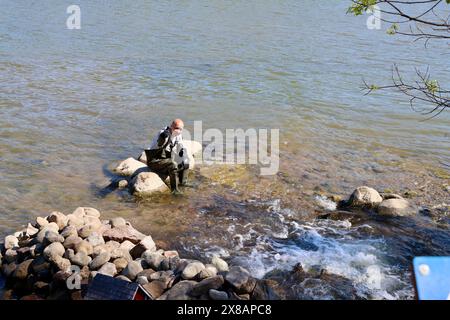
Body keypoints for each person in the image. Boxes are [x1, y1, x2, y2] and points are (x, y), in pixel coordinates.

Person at [145, 119, 190, 195]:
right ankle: (174, 190)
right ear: (171, 126)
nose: (178, 130)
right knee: (172, 164)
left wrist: (182, 152)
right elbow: (159, 145)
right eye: (176, 128)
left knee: (185, 161)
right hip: (154, 160)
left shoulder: (178, 135)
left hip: (165, 158)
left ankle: (183, 182)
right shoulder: (163, 133)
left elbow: (180, 146)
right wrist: (163, 138)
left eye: (180, 129)